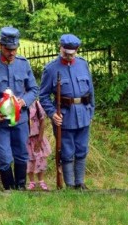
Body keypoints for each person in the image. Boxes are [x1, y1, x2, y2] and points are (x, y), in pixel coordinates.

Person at [0, 26, 39, 190]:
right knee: (4, 156)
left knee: (21, 154)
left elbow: (34, 89)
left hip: (20, 119)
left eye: (14, 48)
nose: (11, 52)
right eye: (8, 49)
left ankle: (20, 187)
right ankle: (9, 188)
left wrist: (23, 102)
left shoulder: (23, 64)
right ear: (0, 45)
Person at [39, 34, 95, 189]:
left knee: (82, 149)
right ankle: (70, 185)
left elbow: (91, 91)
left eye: (72, 54)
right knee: (67, 151)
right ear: (60, 48)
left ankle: (80, 183)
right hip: (64, 116)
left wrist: (90, 111)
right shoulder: (51, 69)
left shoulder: (83, 64)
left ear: (76, 51)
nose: (69, 57)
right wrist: (52, 113)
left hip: (83, 114)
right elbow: (43, 96)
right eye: (65, 54)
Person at [26, 100, 52, 191]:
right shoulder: (17, 103)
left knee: (40, 158)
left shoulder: (36, 104)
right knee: (29, 160)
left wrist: (40, 139)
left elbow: (42, 120)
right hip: (26, 138)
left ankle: (41, 181)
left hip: (37, 137)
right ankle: (31, 182)